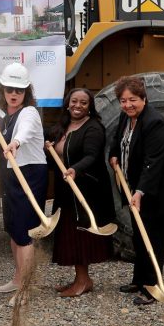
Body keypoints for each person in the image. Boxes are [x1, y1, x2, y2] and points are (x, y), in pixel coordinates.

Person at [0, 63, 47, 307]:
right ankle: (17, 279)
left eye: (19, 90)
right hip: (10, 173)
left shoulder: (29, 112)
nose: (14, 94)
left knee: (25, 232)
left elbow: (25, 132)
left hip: (30, 172)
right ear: (2, 90)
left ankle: (26, 288)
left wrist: (15, 142)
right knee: (13, 229)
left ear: (26, 92)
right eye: (9, 90)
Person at [108, 76, 164, 306]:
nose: (127, 105)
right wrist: (113, 154)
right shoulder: (126, 117)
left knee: (153, 239)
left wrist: (140, 192)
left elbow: (154, 161)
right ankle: (139, 280)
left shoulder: (155, 122)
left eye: (132, 100)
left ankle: (153, 287)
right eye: (123, 100)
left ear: (144, 99)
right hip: (136, 188)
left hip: (157, 191)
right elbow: (118, 138)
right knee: (139, 236)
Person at [45, 88, 114, 298]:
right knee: (69, 235)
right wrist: (47, 148)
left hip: (86, 192)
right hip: (66, 192)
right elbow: (54, 160)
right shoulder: (62, 127)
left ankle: (83, 281)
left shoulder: (94, 128)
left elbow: (92, 156)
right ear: (67, 104)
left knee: (80, 236)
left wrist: (76, 169)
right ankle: (80, 279)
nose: (78, 106)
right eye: (74, 101)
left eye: (83, 103)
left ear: (89, 107)